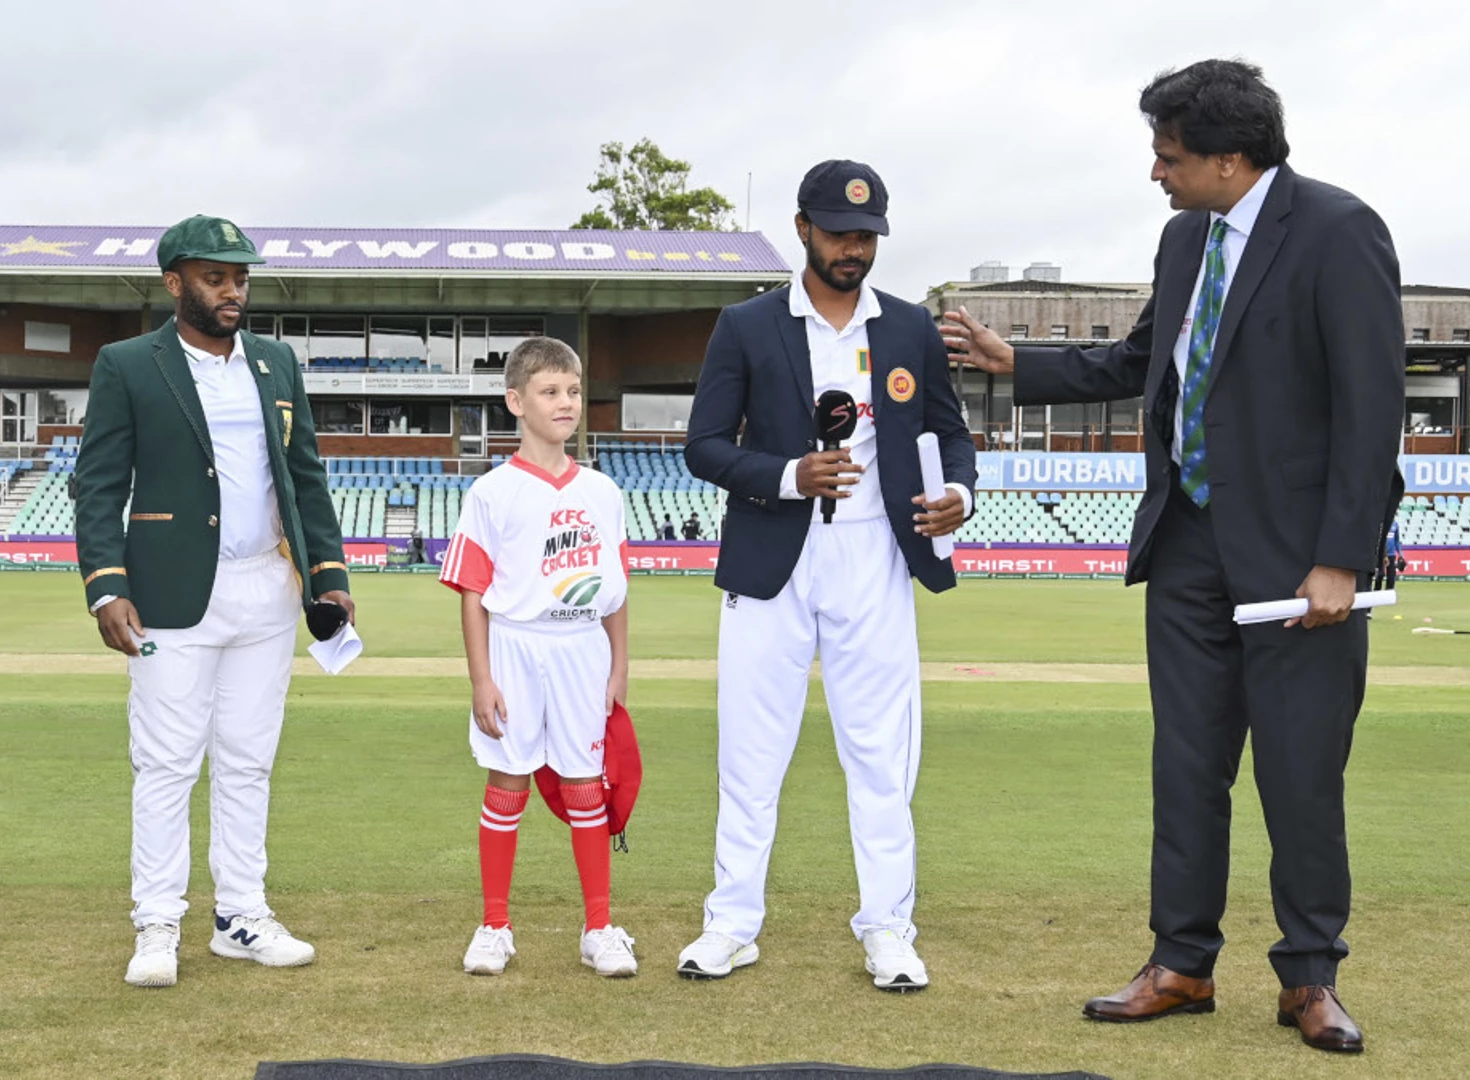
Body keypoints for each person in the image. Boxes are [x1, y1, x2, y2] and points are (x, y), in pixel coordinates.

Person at [943, 60, 1401, 1054]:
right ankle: (1182, 963)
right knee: (1187, 767)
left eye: (1171, 156)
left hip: (1296, 565)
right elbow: (1141, 362)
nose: (1157, 173)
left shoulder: (1338, 230)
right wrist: (1016, 362)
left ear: (1231, 161)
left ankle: (1310, 978)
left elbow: (1373, 411)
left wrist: (1342, 559)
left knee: (1300, 775)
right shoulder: (1185, 236)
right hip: (1186, 541)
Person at [681, 159, 976, 990]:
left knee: (882, 759)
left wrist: (957, 492)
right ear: (803, 228)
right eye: (841, 233)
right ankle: (731, 925)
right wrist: (787, 475)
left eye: (869, 236)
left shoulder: (911, 327)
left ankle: (887, 928)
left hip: (876, 557)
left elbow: (951, 435)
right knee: (750, 755)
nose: (855, 249)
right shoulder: (746, 325)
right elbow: (704, 445)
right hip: (773, 557)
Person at [75, 214, 355, 989]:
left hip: (267, 586)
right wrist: (106, 587)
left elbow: (306, 477)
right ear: (175, 284)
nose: (232, 290)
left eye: (239, 278)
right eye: (214, 277)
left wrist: (329, 575)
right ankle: (157, 924)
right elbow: (96, 484)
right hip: (167, 594)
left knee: (247, 761)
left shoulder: (274, 362)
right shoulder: (128, 364)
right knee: (165, 764)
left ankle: (241, 917)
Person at [439, 337, 637, 978]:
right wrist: (481, 679)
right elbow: (472, 595)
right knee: (508, 781)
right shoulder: (491, 493)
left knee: (586, 786)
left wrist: (619, 664)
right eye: (550, 391)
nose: (566, 403)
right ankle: (494, 925)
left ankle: (599, 928)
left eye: (574, 391)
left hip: (582, 647)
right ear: (515, 401)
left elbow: (614, 592)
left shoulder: (604, 492)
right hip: (516, 648)